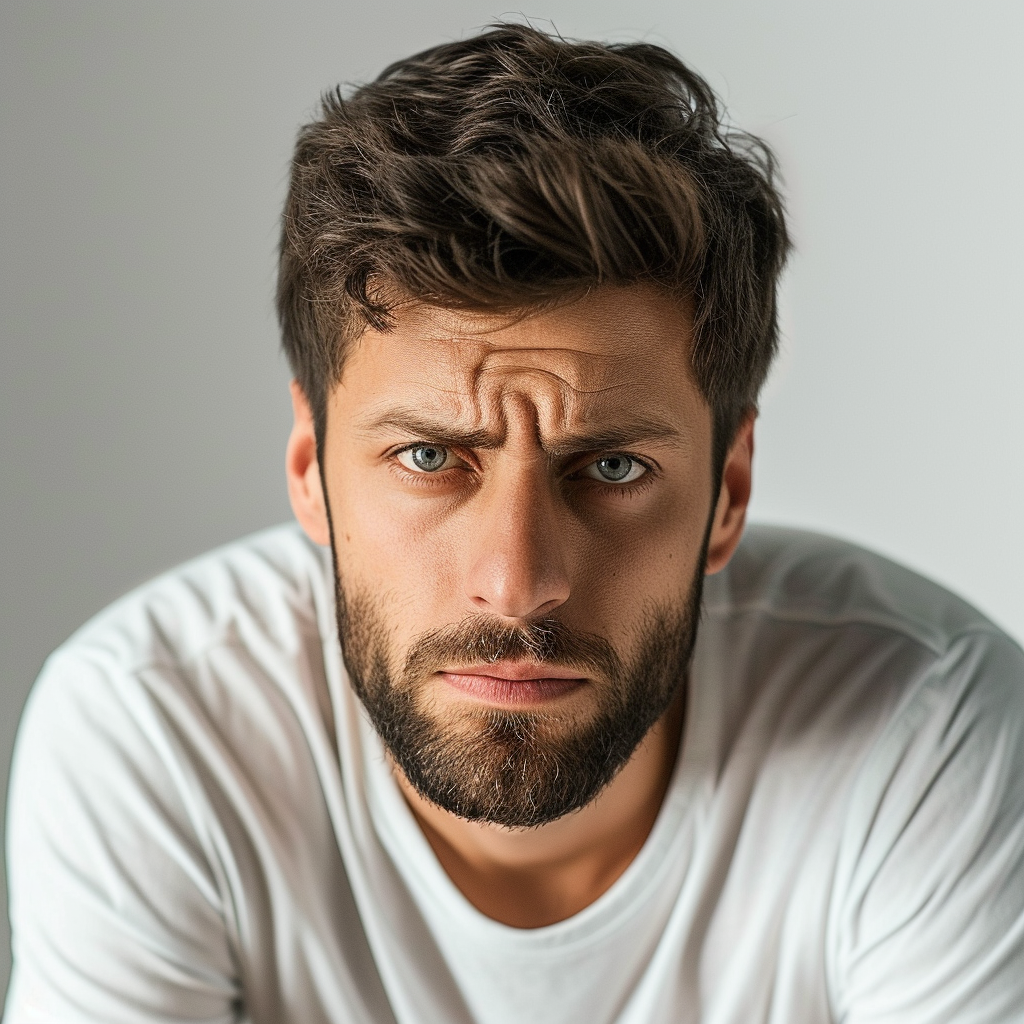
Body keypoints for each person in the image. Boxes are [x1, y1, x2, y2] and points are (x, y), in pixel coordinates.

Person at [4, 22, 1023, 1024]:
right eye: (430, 457)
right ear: (312, 473)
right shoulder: (153, 726)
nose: (519, 579)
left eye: (612, 466)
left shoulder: (925, 722)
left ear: (729, 491)